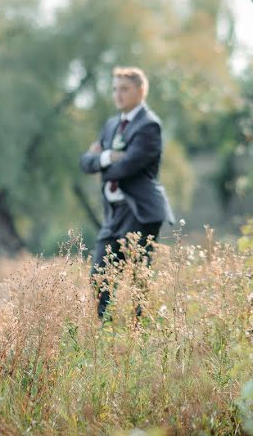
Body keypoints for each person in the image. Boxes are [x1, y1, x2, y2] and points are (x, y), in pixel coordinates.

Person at [80, 66, 176, 320]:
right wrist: (107, 156)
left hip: (140, 212)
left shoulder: (149, 125)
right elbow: (85, 163)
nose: (118, 95)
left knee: (137, 278)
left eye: (124, 89)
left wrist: (100, 161)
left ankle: (139, 335)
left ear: (141, 91)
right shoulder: (111, 125)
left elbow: (126, 167)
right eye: (115, 89)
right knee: (99, 277)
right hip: (114, 213)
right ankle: (106, 334)